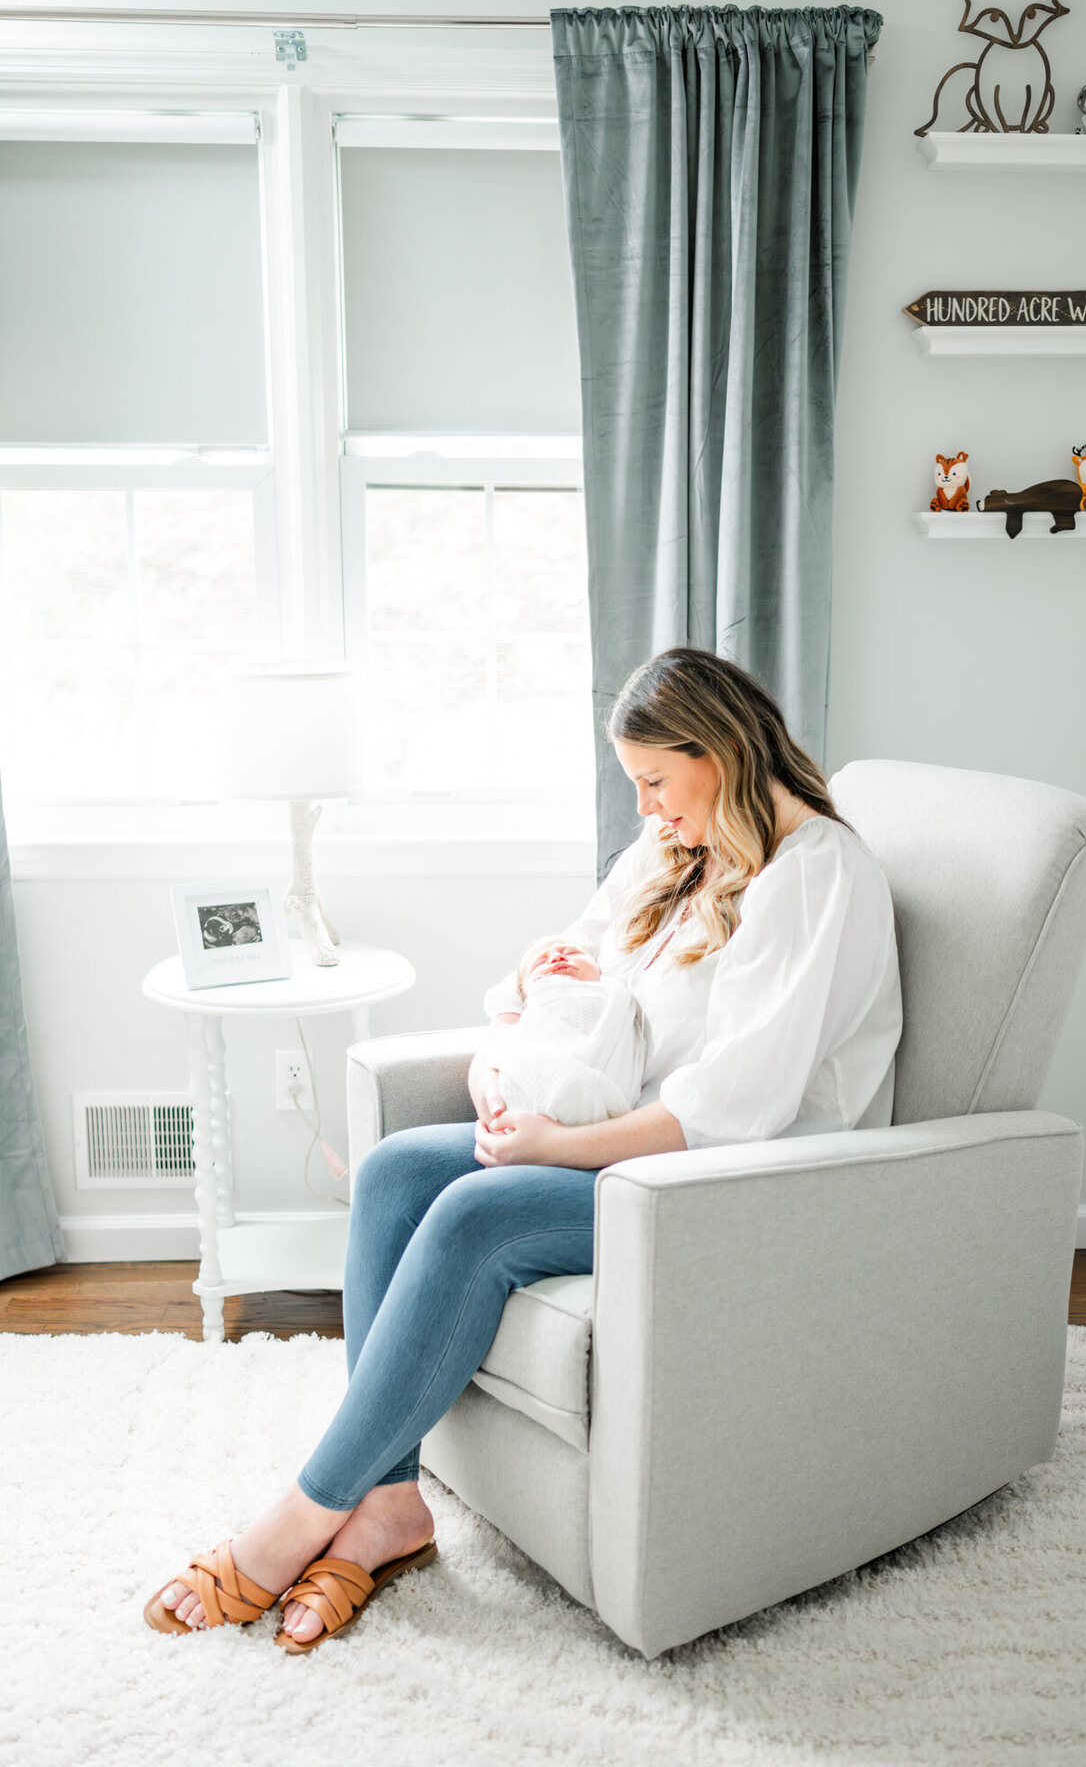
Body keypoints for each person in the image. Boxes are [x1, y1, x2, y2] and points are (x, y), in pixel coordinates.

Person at [142, 645, 903, 1652]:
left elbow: (734, 1109)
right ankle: (393, 1506)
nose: (646, 809)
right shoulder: (676, 853)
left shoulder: (814, 878)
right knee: (396, 1170)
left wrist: (560, 1140)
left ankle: (300, 1516)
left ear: (718, 750)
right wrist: (508, 1052)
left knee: (474, 1215)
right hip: (625, 1150)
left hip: (723, 1183)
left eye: (654, 782)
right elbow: (558, 973)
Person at [487, 934, 647, 1126]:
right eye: (540, 962)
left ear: (599, 968)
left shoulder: (612, 994)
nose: (556, 958)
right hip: (529, 1109)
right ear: (525, 1000)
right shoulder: (537, 1003)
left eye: (571, 952)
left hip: (603, 1121)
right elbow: (506, 1045)